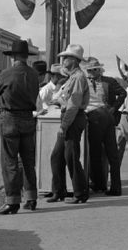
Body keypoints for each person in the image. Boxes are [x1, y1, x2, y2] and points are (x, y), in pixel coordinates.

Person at [0, 40, 39, 215]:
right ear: (26, 56)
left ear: (13, 57)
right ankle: (32, 197)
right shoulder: (34, 74)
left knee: (10, 161)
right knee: (28, 161)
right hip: (28, 118)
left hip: (10, 118)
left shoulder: (6, 73)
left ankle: (12, 201)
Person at [47, 44, 90, 204]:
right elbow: (67, 100)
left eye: (66, 57)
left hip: (73, 118)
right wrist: (58, 101)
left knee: (71, 156)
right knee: (57, 157)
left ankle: (80, 193)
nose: (63, 60)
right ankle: (59, 190)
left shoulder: (78, 77)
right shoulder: (73, 77)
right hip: (70, 116)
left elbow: (73, 105)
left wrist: (63, 126)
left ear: (74, 60)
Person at [83, 56, 126, 196]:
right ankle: (100, 183)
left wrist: (114, 108)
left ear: (98, 70)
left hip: (103, 116)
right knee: (98, 153)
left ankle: (113, 186)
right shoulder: (85, 82)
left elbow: (123, 93)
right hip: (96, 117)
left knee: (108, 153)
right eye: (89, 70)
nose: (91, 73)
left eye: (93, 70)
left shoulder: (109, 81)